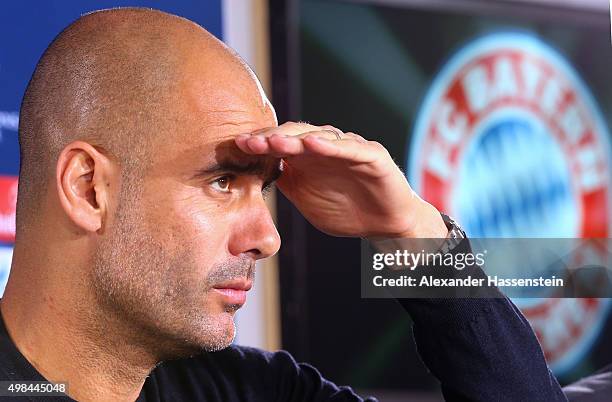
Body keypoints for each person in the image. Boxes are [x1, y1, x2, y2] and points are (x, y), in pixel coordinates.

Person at [0, 7, 575, 402]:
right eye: (223, 181)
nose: (268, 237)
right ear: (87, 188)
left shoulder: (247, 390)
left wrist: (415, 236)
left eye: (266, 188)